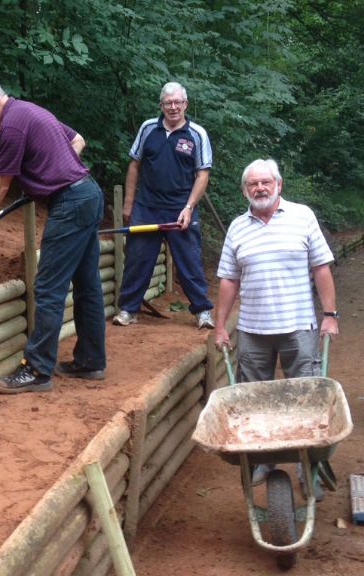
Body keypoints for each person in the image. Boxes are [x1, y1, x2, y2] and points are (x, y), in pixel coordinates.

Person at [0, 77, 106, 394]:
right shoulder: (30, 111)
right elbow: (77, 140)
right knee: (87, 283)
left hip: (71, 204)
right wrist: (51, 171)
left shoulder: (12, 126)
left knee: (48, 287)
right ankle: (91, 361)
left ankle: (37, 370)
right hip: (88, 195)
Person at [214, 158, 339, 488]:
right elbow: (228, 279)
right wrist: (220, 325)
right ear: (245, 190)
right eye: (253, 184)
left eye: (265, 182)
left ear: (279, 185)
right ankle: (262, 462)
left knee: (306, 398)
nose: (259, 188)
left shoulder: (302, 216)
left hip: (299, 326)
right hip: (253, 330)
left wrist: (329, 316)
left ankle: (307, 466)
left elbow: (321, 268)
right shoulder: (238, 227)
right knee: (253, 400)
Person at [113, 82, 215, 329]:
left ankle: (202, 312)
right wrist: (129, 203)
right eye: (168, 103)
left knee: (189, 261)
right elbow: (134, 165)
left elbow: (202, 174)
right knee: (138, 259)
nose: (173, 107)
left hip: (181, 208)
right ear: (161, 105)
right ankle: (128, 309)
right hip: (147, 206)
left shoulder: (197, 134)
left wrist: (189, 207)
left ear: (185, 104)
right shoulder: (148, 128)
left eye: (177, 102)